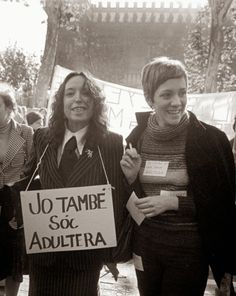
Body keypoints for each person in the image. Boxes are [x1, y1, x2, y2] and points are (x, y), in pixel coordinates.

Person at [120, 56, 236, 296]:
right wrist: (131, 179)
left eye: (182, 93)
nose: (177, 102)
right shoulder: (136, 138)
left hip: (189, 249)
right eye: (166, 95)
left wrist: (175, 202)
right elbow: (134, 202)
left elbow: (222, 205)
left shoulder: (211, 140)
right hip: (146, 245)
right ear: (150, 98)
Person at [14, 71, 128, 296]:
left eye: (86, 93)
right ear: (61, 102)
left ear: (95, 102)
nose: (78, 98)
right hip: (44, 257)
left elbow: (115, 198)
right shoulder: (43, 138)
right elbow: (24, 180)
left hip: (84, 260)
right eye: (70, 93)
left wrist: (111, 254)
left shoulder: (111, 143)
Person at [0, 82, 33, 296]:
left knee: (13, 261)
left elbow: (32, 169)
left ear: (9, 108)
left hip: (14, 206)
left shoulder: (26, 133)